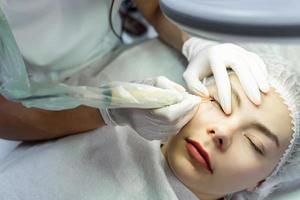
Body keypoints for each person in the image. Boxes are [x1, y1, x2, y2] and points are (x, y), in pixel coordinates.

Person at [0, 56, 298, 200]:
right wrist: (105, 109)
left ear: (261, 183)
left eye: (255, 143)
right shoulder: (108, 120)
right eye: (220, 102)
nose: (222, 133)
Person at [0, 0, 269, 142]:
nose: (220, 133)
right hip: (28, 94)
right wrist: (107, 110)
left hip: (109, 52)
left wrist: (196, 44)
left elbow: (153, 8)